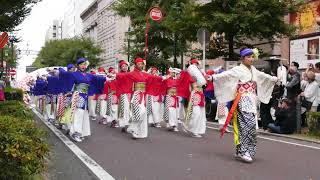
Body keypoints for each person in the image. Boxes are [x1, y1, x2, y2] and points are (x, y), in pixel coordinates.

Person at [209, 47, 277, 163]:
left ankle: (241, 150)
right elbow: (226, 75)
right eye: (248, 57)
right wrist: (213, 77)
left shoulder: (253, 69)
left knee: (249, 127)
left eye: (252, 57)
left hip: (252, 100)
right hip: (242, 99)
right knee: (248, 125)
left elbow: (262, 76)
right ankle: (244, 151)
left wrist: (274, 78)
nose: (251, 59)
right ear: (243, 58)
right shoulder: (237, 69)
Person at [66, 58, 106, 142]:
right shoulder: (74, 74)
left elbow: (97, 78)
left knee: (84, 114)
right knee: (78, 113)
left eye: (84, 64)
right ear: (78, 65)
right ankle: (75, 132)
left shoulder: (88, 75)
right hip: (77, 95)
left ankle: (82, 132)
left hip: (85, 96)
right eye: (81, 64)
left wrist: (107, 78)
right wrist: (69, 92)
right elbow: (69, 85)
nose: (83, 66)